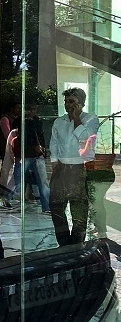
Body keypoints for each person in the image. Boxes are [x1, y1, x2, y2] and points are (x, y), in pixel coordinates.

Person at [49, 87, 99, 246]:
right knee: (56, 206)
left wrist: (77, 118)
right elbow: (54, 142)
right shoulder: (59, 121)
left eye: (72, 101)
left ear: (81, 104)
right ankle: (64, 243)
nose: (67, 105)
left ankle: (77, 245)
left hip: (80, 168)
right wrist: (55, 162)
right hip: (62, 168)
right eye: (66, 101)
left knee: (78, 210)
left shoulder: (91, 119)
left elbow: (85, 138)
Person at [12, 105, 50, 214]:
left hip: (36, 155)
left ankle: (46, 206)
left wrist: (43, 148)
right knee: (18, 180)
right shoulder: (21, 121)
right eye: (30, 109)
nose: (32, 112)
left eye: (34, 110)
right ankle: (15, 202)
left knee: (43, 182)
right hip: (26, 154)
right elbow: (22, 138)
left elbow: (41, 135)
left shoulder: (37, 120)